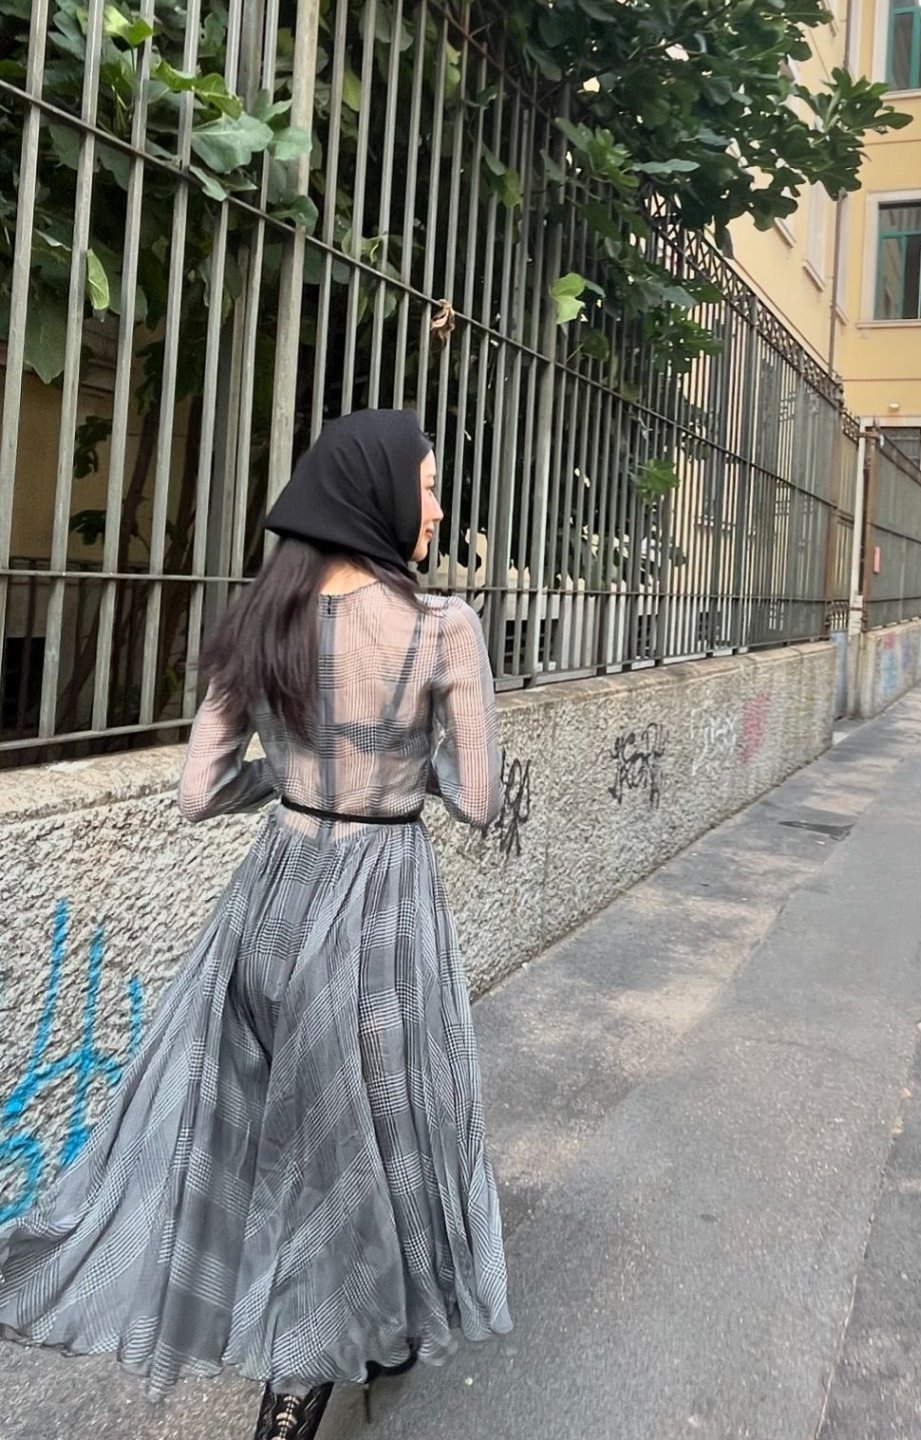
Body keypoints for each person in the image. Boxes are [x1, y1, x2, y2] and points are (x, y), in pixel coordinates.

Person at [0, 409, 512, 1438]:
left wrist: (289, 778)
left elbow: (198, 791)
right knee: (371, 1133)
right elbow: (481, 801)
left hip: (270, 907)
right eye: (426, 486)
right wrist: (402, 774)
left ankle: (352, 1328)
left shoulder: (259, 619)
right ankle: (298, 1386)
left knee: (277, 1138)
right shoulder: (442, 628)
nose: (437, 508)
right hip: (378, 912)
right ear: (376, 494)